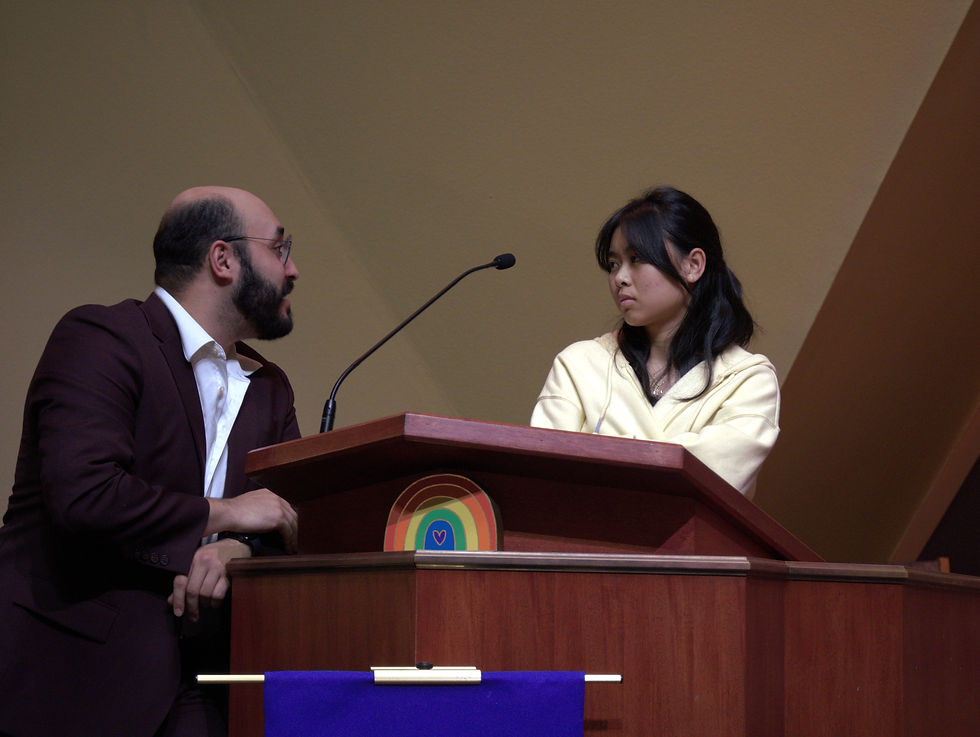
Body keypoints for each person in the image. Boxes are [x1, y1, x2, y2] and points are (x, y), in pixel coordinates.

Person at [0, 186, 302, 737]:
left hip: (212, 684)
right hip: (75, 678)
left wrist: (237, 548)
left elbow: (282, 517)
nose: (294, 269)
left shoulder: (270, 388)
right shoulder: (101, 338)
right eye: (280, 249)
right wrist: (227, 515)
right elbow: (86, 496)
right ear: (224, 259)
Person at [530, 186, 779, 496]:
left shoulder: (749, 379)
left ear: (693, 265)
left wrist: (600, 454)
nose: (620, 277)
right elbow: (543, 475)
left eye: (636, 259)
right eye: (614, 264)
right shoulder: (579, 363)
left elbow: (711, 482)